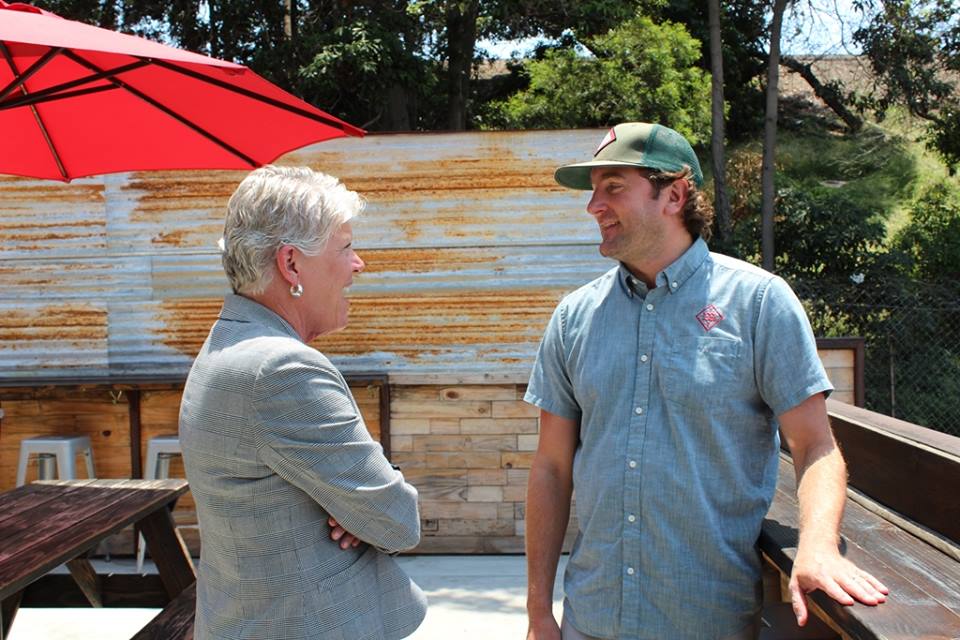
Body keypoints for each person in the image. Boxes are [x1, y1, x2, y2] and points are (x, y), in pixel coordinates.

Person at [523, 123, 888, 640]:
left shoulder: (759, 303)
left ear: (674, 195)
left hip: (709, 621)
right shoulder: (572, 318)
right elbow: (551, 469)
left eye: (614, 187)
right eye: (594, 191)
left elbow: (815, 447)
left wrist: (818, 544)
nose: (593, 206)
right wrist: (539, 612)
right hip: (592, 617)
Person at [179, 165, 427, 640]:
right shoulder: (282, 370)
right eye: (346, 247)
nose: (358, 264)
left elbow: (368, 507)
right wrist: (361, 509)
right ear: (291, 264)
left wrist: (356, 506)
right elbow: (396, 521)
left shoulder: (229, 345)